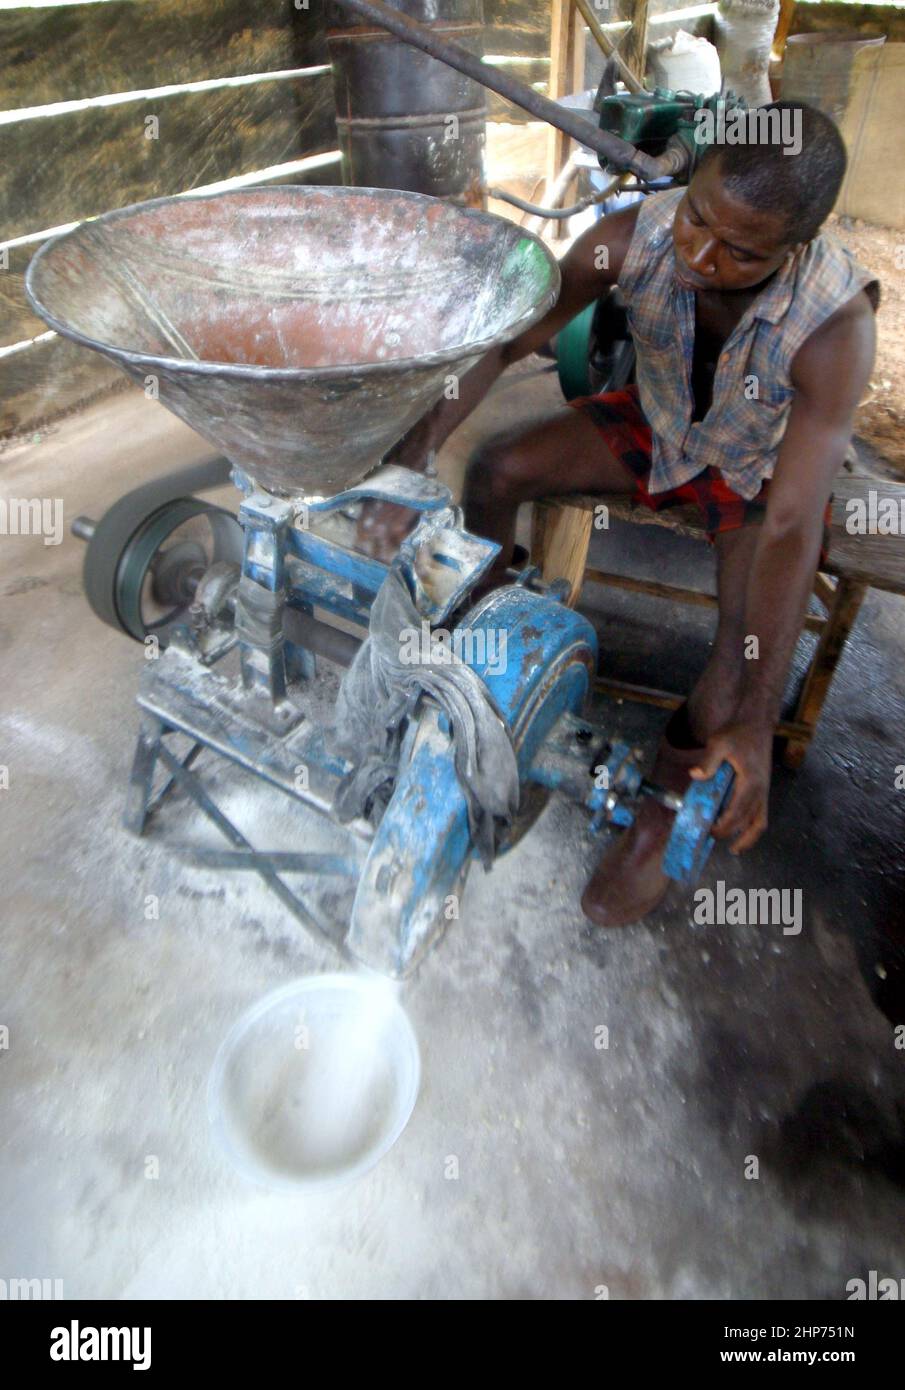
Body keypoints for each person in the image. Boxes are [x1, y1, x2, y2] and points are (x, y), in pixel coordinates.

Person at [358, 101, 879, 927]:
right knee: (496, 468)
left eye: (740, 251)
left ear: (796, 245)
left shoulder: (835, 328)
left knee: (738, 659)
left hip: (755, 473)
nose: (701, 255)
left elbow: (789, 525)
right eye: (698, 218)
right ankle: (493, 649)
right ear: (695, 181)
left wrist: (753, 726)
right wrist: (412, 455)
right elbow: (502, 343)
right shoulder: (626, 237)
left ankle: (660, 817)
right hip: (658, 423)